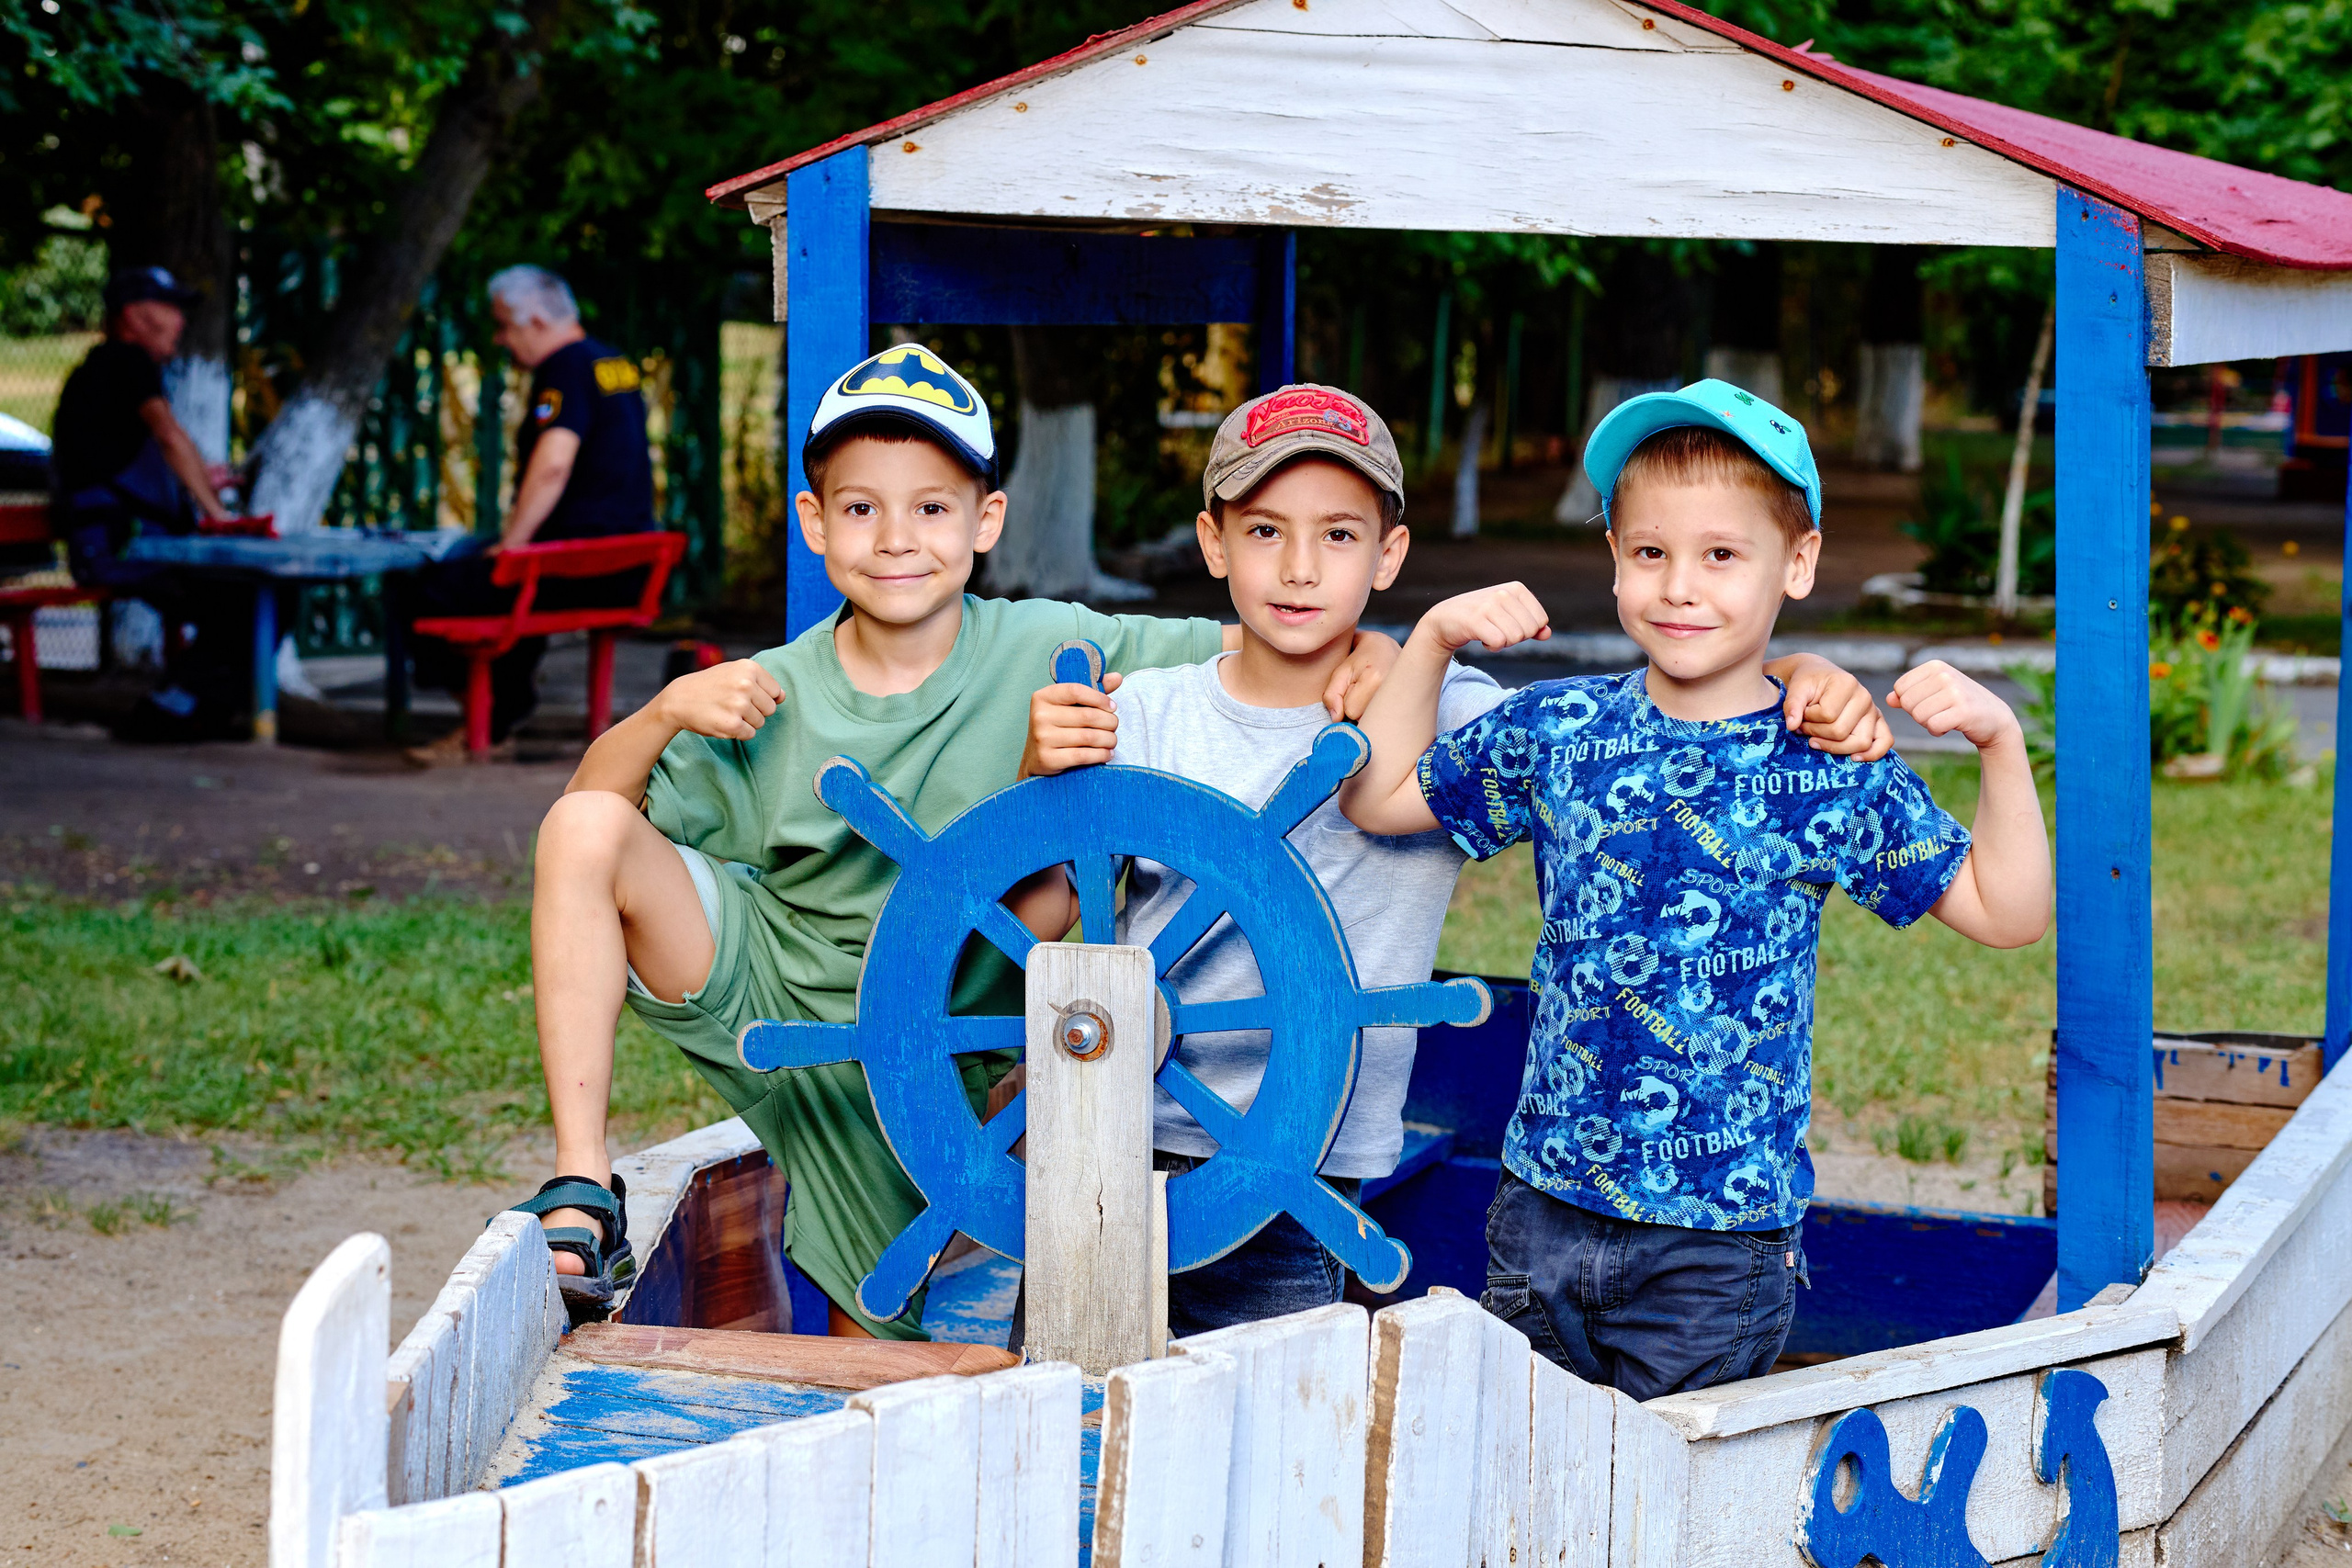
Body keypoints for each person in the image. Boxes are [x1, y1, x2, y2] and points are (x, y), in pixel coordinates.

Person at [504, 345, 1397, 1332]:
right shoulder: (770, 691)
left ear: (986, 520)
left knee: (871, 1352)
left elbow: (1262, 635)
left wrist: (1374, 649)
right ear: (814, 521)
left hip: (938, 1027)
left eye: (931, 507)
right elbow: (582, 828)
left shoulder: (1051, 643)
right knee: (586, 824)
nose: (897, 538)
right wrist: (665, 710)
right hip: (774, 984)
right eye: (861, 508)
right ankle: (582, 1183)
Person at [1016, 384, 1896, 1337]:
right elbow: (1034, 928)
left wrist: (1803, 678)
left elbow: (1657, 718)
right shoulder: (1142, 715)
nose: (1300, 567)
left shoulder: (1453, 713)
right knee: (1060, 1392)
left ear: (1390, 553)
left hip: (1300, 1161)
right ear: (1213, 542)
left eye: (1339, 535)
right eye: (1265, 531)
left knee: (1261, 1416)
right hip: (1103, 1136)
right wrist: (1036, 788)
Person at [1339, 380, 2051, 1397]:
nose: (1679, 586)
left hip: (1718, 1244)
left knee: (1672, 1483)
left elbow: (2007, 913)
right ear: (1614, 558)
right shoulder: (1558, 727)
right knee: (1533, 1469)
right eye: (1649, 552)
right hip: (1544, 1211)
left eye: (1721, 555)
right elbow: (1378, 797)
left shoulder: (1827, 761)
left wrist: (1999, 741)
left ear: (1796, 563)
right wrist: (1434, 639)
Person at [403, 265, 659, 765]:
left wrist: (513, 543)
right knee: (495, 585)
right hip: (626, 563)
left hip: (575, 565)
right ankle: (502, 712)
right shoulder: (612, 362)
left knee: (425, 588)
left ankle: (487, 721)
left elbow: (552, 465)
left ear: (537, 321)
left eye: (504, 326)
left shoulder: (564, 366)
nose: (500, 340)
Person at [51, 265, 247, 739]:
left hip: (115, 542)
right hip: (116, 548)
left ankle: (194, 707)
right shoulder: (127, 362)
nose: (181, 321)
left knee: (245, 598)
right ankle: (171, 708)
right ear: (134, 316)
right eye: (170, 308)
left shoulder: (103, 370)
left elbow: (119, 460)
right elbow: (170, 437)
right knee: (244, 600)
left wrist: (200, 482)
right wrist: (217, 515)